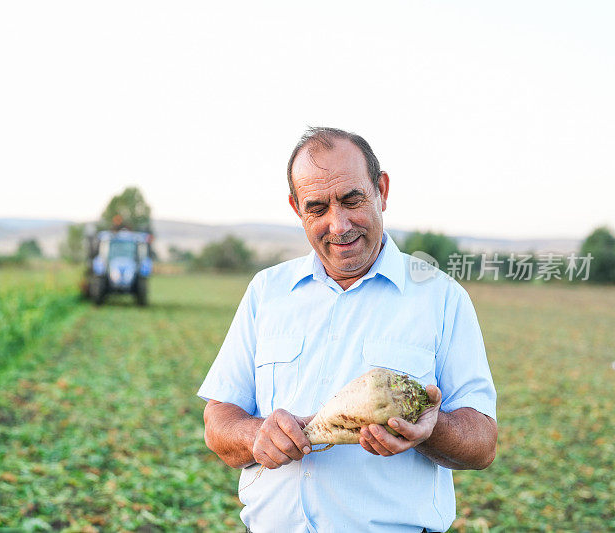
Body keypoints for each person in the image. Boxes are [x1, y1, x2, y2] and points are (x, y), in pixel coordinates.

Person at [197, 127, 498, 533]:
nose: (338, 225)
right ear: (296, 207)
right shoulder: (267, 292)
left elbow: (482, 442)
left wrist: (433, 429)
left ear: (382, 190)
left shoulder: (441, 297)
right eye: (317, 208)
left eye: (352, 200)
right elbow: (218, 420)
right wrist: (255, 434)